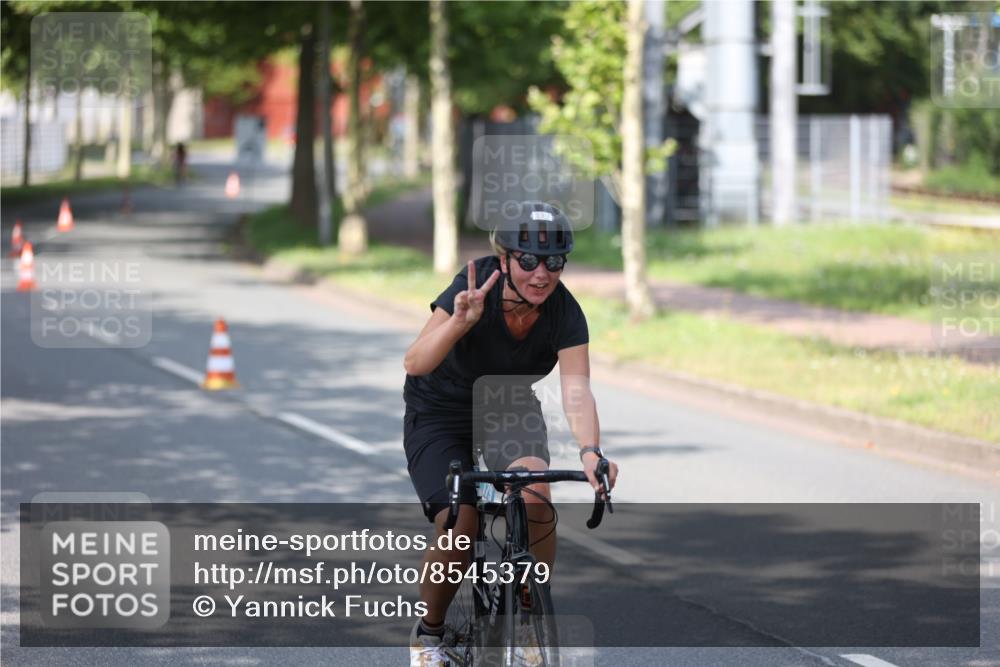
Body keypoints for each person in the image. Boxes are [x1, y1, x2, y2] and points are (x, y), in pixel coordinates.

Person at [403, 201, 619, 666]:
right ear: (504, 260)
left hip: (508, 406)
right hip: (441, 409)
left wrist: (590, 451)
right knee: (463, 523)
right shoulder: (474, 283)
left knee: (536, 494)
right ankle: (431, 633)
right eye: (528, 261)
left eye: (554, 262)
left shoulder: (564, 310)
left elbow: (577, 391)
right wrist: (460, 321)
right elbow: (415, 362)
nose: (541, 274)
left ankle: (527, 615)